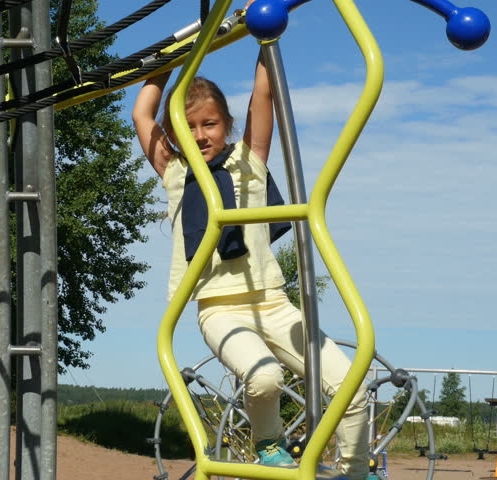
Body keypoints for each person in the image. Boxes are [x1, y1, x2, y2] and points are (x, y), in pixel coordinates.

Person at [131, 22, 370, 480]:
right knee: (263, 377)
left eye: (210, 124)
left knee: (350, 384)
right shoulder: (175, 171)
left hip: (272, 301)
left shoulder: (249, 160)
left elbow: (265, 92)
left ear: (227, 126)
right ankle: (269, 444)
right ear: (175, 134)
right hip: (218, 310)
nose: (201, 135)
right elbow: (143, 115)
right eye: (190, 126)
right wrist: (169, 60)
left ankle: (355, 470)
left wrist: (266, 28)